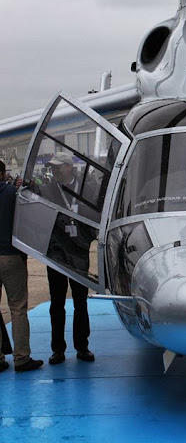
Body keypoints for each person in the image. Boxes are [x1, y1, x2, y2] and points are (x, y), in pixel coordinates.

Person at [41, 152, 95, 365]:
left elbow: (94, 217)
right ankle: (58, 350)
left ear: (69, 167)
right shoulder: (47, 190)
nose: (55, 170)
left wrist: (86, 238)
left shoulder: (86, 190)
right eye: (53, 167)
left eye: (59, 167)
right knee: (57, 303)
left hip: (79, 253)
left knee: (80, 302)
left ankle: (82, 347)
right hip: (56, 254)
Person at [0, 160, 43, 372]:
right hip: (10, 256)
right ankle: (22, 357)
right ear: (2, 173)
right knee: (17, 308)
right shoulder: (12, 194)